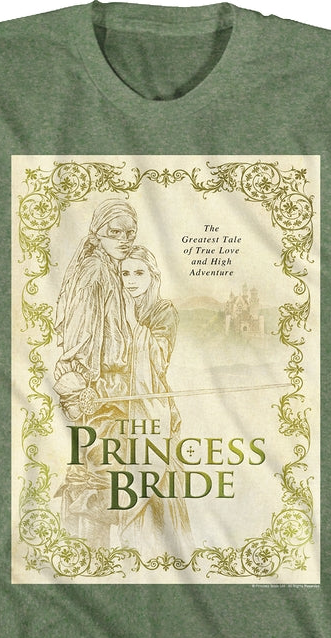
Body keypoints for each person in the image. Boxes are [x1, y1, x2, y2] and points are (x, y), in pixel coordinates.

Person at [53, 198, 137, 548]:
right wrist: (81, 387)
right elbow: (80, 335)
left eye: (130, 233)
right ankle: (89, 559)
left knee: (99, 478)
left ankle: (87, 558)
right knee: (98, 482)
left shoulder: (110, 270)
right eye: (115, 232)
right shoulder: (95, 270)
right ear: (97, 234)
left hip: (110, 395)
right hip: (96, 395)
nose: (124, 240)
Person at [118, 246, 194, 554]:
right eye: (125, 273)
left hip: (154, 408)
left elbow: (159, 360)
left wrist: (132, 323)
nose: (131, 280)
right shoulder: (114, 309)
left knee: (162, 481)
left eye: (139, 273)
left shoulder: (164, 311)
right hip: (120, 409)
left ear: (153, 276)